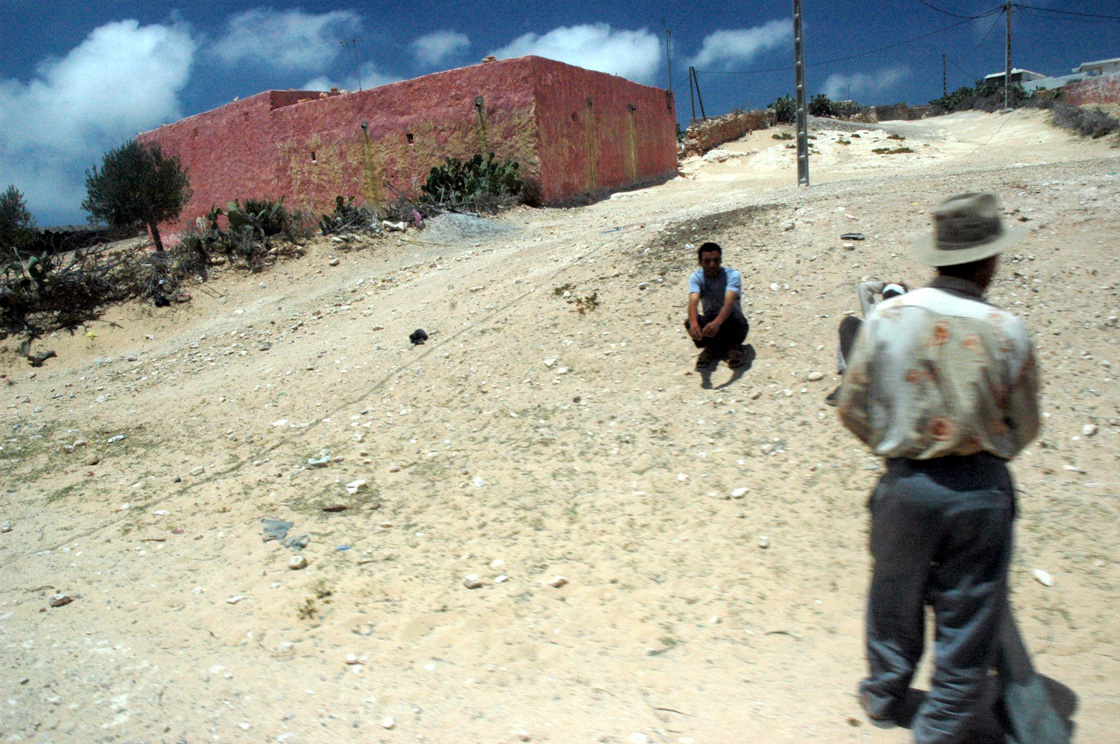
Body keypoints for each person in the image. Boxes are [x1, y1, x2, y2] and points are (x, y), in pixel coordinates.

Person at [838, 192, 1041, 744]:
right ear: (989, 260)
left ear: (939, 255)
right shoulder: (1008, 329)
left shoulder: (888, 317)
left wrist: (897, 449)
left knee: (893, 600)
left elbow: (853, 407)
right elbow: (1025, 427)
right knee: (966, 621)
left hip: (904, 486)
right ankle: (939, 727)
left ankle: (883, 695)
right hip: (980, 494)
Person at [825, 280, 908, 406]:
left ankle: (856, 388)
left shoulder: (909, 319)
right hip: (870, 364)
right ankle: (849, 384)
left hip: (890, 375)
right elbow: (863, 288)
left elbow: (864, 288)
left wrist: (884, 286)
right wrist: (885, 285)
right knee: (850, 323)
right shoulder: (876, 312)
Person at [685, 241, 749, 369]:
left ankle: (731, 348)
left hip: (731, 321)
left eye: (716, 260)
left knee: (735, 319)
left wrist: (717, 323)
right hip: (711, 322)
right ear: (700, 262)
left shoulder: (732, 275)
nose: (712, 264)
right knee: (690, 322)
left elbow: (729, 303)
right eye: (707, 261)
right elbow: (693, 301)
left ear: (721, 260)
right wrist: (693, 324)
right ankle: (712, 348)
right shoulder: (696, 278)